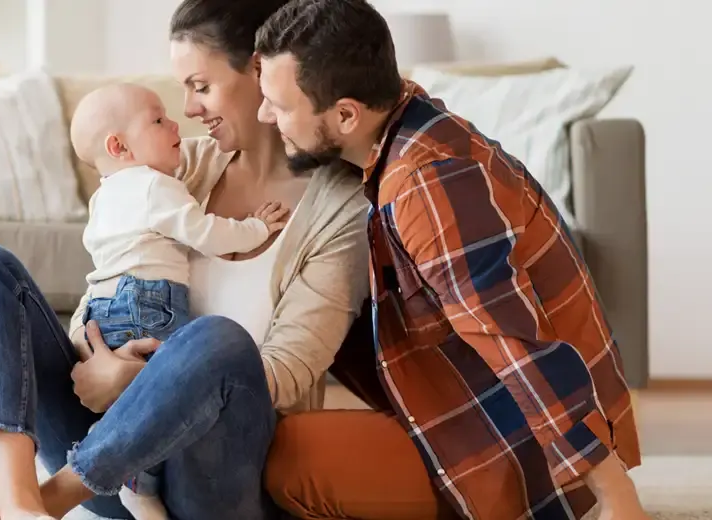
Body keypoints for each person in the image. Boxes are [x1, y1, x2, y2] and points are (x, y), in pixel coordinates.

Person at [0, 0, 370, 518]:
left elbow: (287, 372)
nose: (186, 110)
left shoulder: (341, 207)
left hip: (219, 478)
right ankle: (17, 503)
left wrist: (142, 382)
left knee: (218, 338)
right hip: (117, 463)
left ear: (262, 73)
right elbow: (112, 281)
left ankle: (52, 500)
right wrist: (94, 356)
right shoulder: (176, 164)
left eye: (200, 86)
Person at [251, 1, 647, 519]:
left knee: (293, 461)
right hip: (474, 410)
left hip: (522, 448)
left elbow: (514, 343)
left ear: (346, 114)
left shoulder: (425, 184)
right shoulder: (404, 127)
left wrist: (615, 495)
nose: (264, 117)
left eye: (279, 106)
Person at [65, 82, 292, 519]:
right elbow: (206, 232)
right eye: (158, 120)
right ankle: (137, 484)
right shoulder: (153, 186)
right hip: (147, 304)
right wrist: (256, 229)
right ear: (119, 145)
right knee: (167, 399)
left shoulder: (103, 199)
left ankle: (113, 459)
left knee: (134, 401)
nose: (176, 124)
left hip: (103, 306)